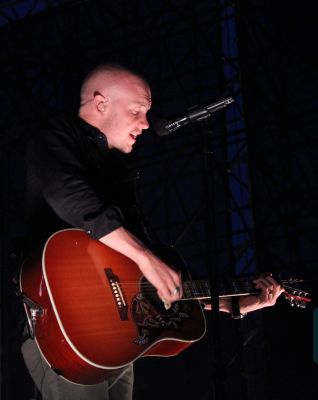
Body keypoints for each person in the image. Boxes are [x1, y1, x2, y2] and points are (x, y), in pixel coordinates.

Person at [20, 62, 283, 400]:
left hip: (116, 338)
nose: (146, 123)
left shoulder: (121, 169)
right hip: (65, 328)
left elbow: (148, 279)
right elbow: (69, 196)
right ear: (101, 104)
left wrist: (232, 304)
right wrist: (145, 257)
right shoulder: (55, 136)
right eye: (137, 111)